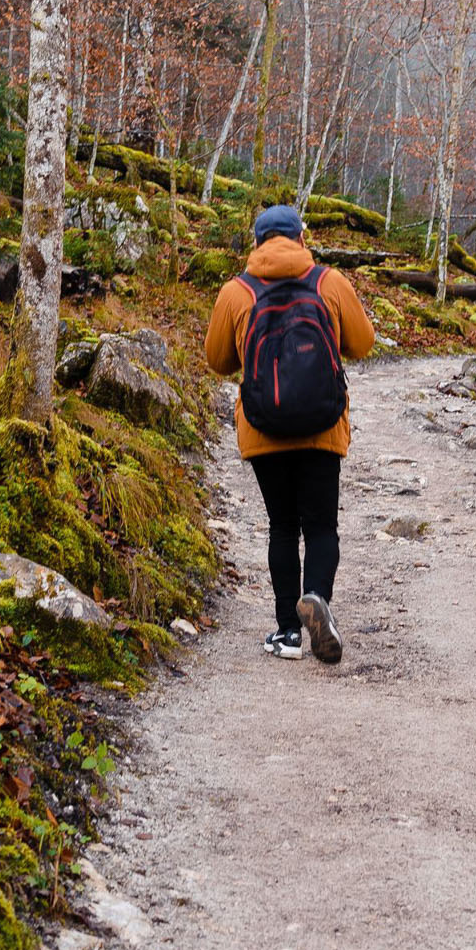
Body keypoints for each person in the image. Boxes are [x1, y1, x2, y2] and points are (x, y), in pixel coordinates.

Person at [204, 204, 376, 662]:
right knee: (321, 526)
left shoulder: (237, 292)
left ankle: (287, 633)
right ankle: (316, 596)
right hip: (323, 425)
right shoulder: (328, 282)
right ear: (302, 237)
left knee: (282, 526)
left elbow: (217, 361)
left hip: (264, 429)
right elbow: (362, 343)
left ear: (256, 242)